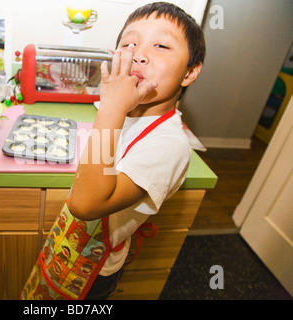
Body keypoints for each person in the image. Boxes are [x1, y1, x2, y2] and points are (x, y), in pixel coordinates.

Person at [21, 2, 205, 300]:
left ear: (190, 72)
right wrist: (115, 109)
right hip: (61, 246)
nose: (139, 54)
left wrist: (113, 106)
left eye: (160, 45)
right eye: (129, 43)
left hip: (92, 273)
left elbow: (87, 203)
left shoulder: (169, 145)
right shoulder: (126, 113)